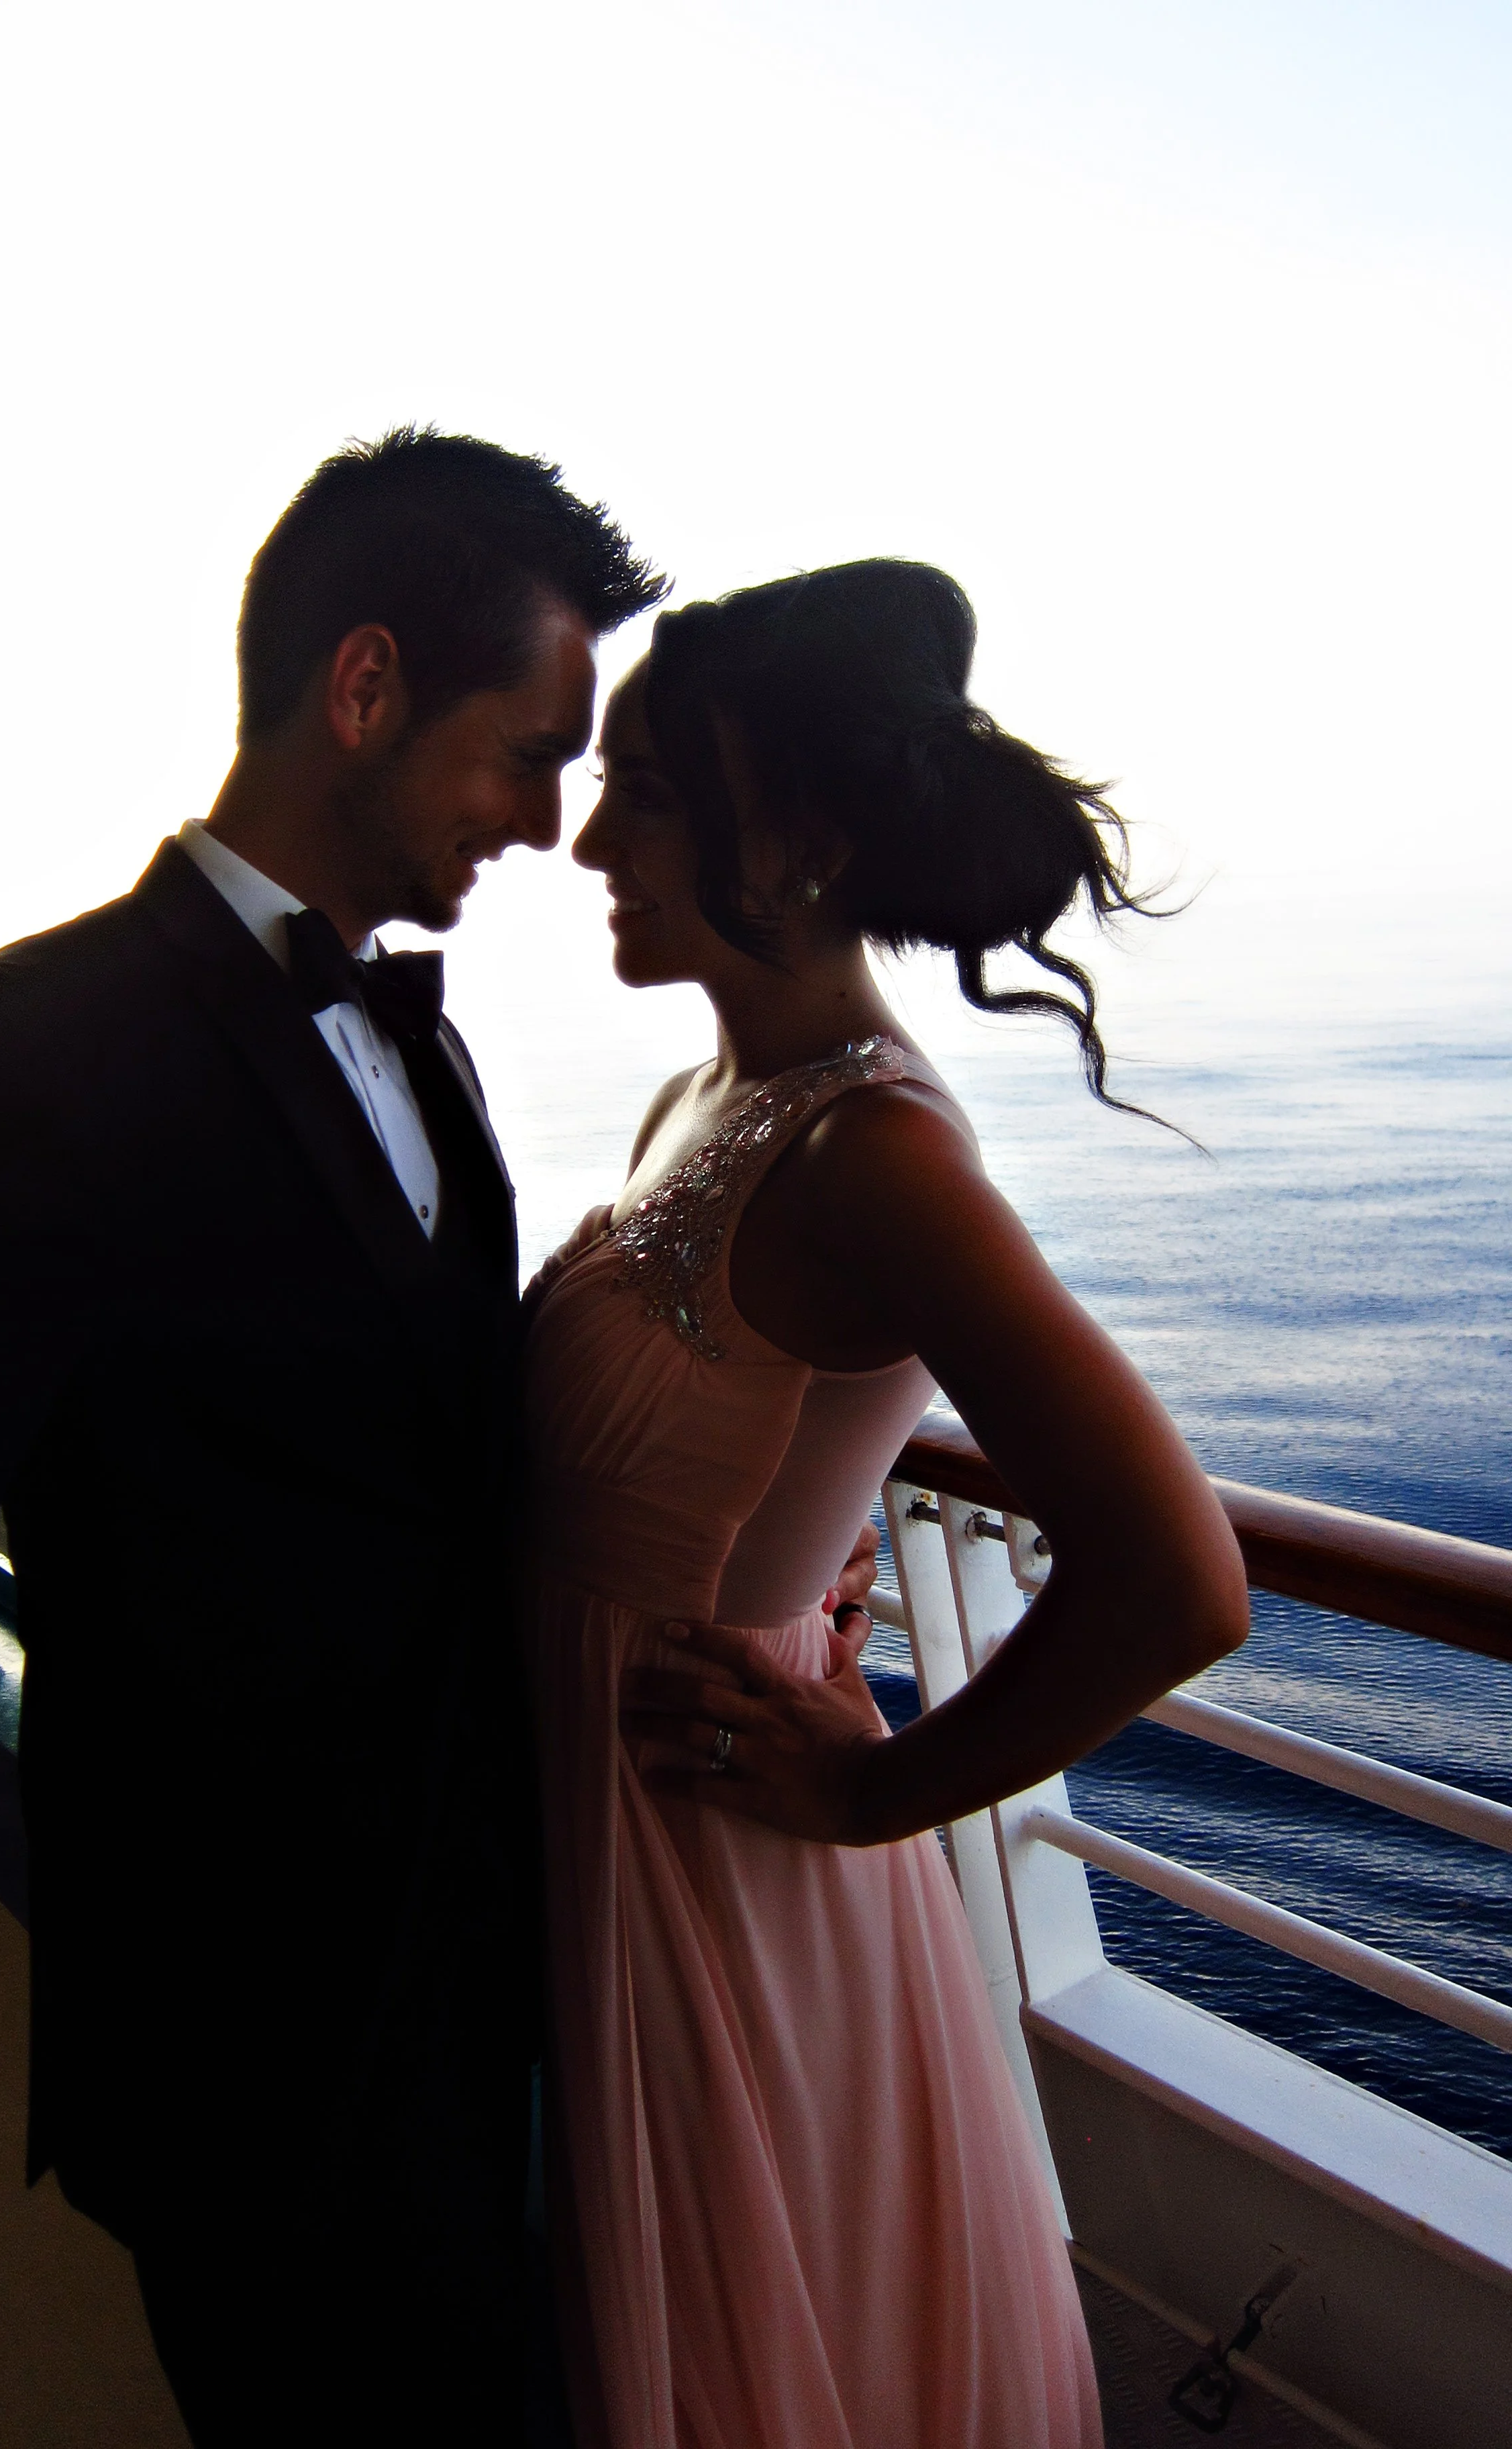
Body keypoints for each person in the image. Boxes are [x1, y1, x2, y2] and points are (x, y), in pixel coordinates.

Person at [0, 426, 676, 2444]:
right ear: (366, 686)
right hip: (242, 2060)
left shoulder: (433, 1041)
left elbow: (438, 1450)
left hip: (489, 2002)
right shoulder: (17, 1050)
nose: (551, 819)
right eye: (533, 749)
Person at [522, 559, 1251, 2449]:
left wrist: (870, 1789)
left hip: (712, 1867)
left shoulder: (879, 1155)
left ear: (814, 837)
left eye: (650, 795)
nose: (591, 835)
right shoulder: (709, 1092)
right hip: (595, 1825)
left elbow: (1180, 1579)